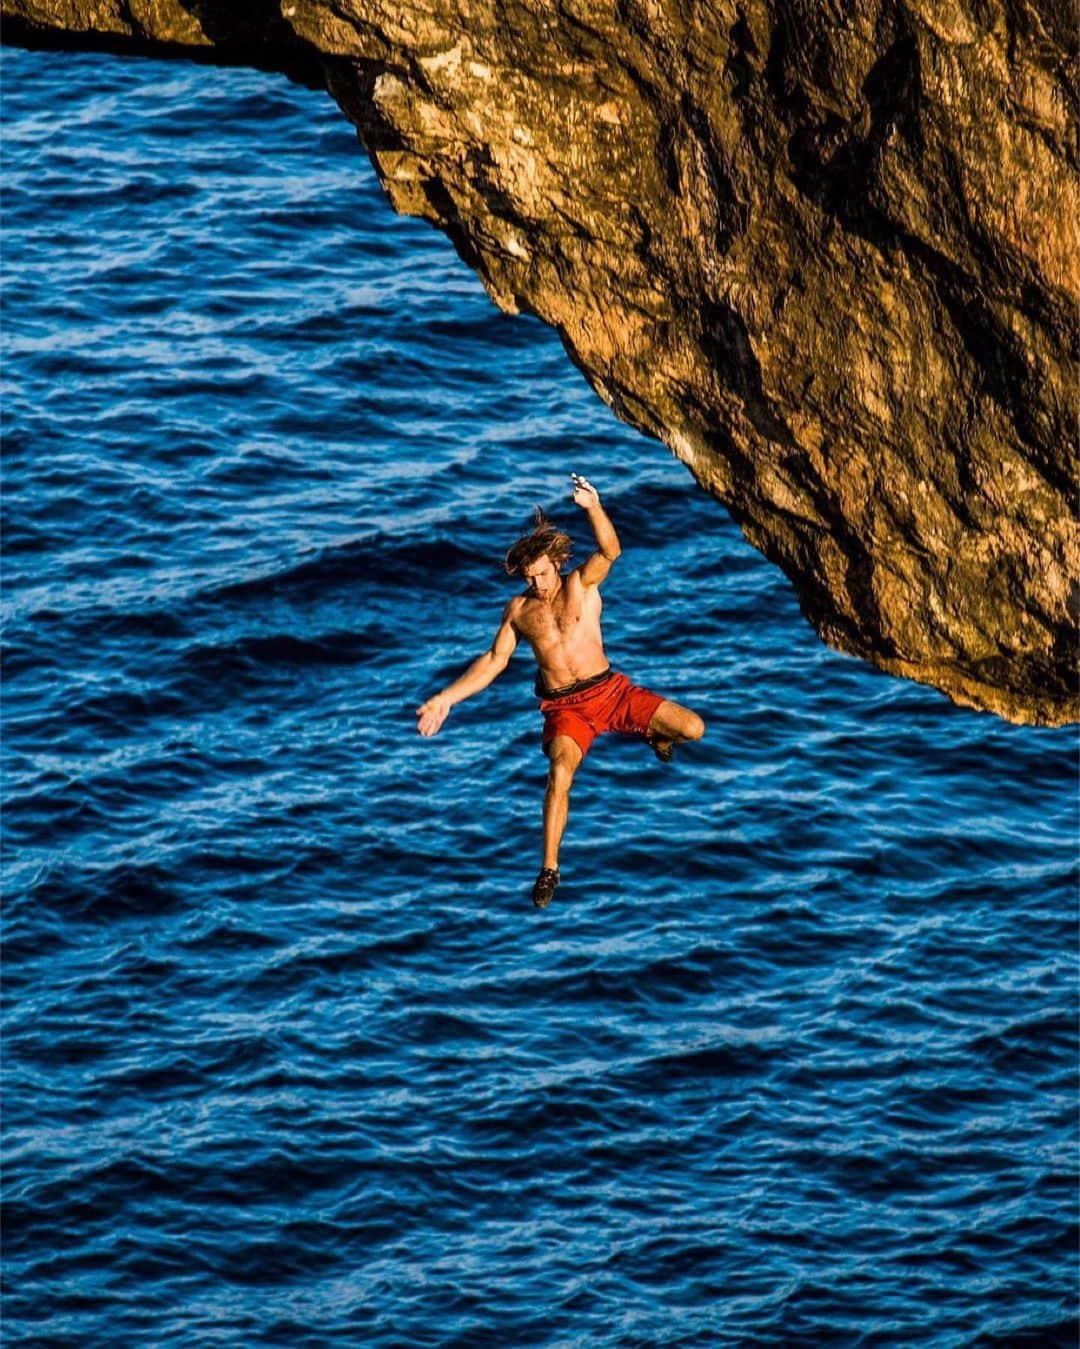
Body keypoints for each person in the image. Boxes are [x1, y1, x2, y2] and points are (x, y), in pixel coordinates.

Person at [416, 474, 705, 908]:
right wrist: (446, 698)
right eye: (530, 578)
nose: (538, 585)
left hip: (611, 692)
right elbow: (494, 661)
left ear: (556, 563)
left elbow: (612, 551)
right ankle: (549, 870)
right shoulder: (519, 610)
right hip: (565, 709)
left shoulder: (580, 586)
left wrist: (593, 507)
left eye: (542, 575)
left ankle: (656, 734)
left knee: (694, 728)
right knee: (559, 775)